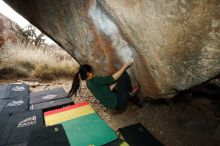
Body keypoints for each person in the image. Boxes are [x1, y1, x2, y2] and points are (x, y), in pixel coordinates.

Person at [68, 59, 141, 110]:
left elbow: (106, 90)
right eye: (92, 71)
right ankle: (130, 92)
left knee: (119, 77)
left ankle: (132, 96)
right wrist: (126, 65)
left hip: (113, 104)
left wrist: (116, 82)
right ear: (88, 73)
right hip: (119, 102)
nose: (93, 72)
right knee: (123, 74)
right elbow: (111, 78)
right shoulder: (94, 80)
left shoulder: (88, 83)